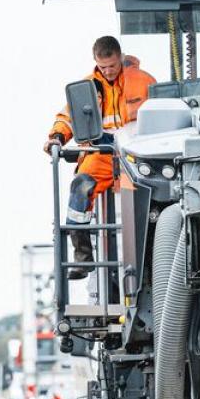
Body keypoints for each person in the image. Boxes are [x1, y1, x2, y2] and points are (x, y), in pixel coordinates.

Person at [43, 36, 155, 278]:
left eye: (112, 66)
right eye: (102, 67)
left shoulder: (143, 81)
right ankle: (82, 258)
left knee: (150, 195)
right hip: (102, 152)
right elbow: (68, 117)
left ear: (120, 57)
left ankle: (152, 256)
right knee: (81, 185)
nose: (108, 71)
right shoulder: (86, 88)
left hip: (137, 153)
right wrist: (56, 137)